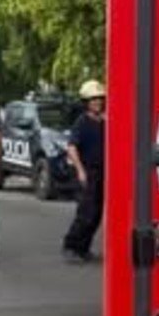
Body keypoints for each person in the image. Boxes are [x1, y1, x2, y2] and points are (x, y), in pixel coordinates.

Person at [62, 80, 106, 263]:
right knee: (85, 212)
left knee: (96, 213)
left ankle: (84, 248)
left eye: (99, 99)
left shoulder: (103, 122)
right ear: (86, 102)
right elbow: (71, 147)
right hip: (86, 171)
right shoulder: (82, 122)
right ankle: (71, 246)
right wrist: (80, 171)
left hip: (100, 172)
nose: (97, 102)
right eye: (93, 99)